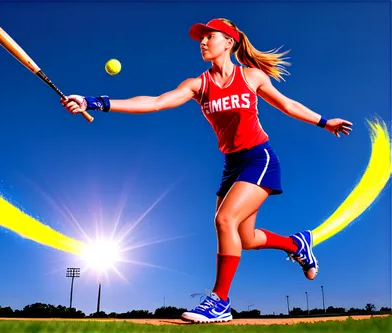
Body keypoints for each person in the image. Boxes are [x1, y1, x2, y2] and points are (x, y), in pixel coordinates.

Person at [61, 18, 353, 323]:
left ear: (229, 42)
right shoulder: (197, 85)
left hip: (259, 158)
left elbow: (287, 105)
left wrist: (324, 121)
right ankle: (297, 244)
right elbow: (156, 102)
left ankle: (220, 301)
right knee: (247, 237)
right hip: (232, 166)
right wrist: (92, 102)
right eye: (200, 39)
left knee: (224, 219)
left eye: (208, 37)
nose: (202, 42)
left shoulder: (251, 77)